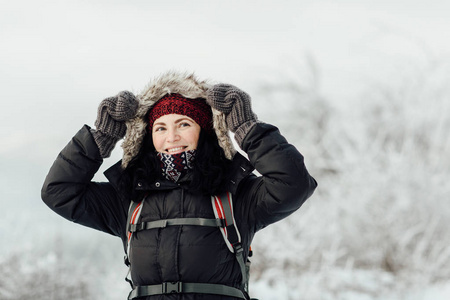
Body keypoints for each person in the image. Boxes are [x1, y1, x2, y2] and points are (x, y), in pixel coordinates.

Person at [41, 71, 317, 300]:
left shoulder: (235, 191)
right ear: (149, 137)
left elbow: (293, 185)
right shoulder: (129, 198)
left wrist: (246, 127)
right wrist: (101, 137)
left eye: (183, 124)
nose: (171, 136)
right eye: (160, 128)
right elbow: (59, 192)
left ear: (205, 130)